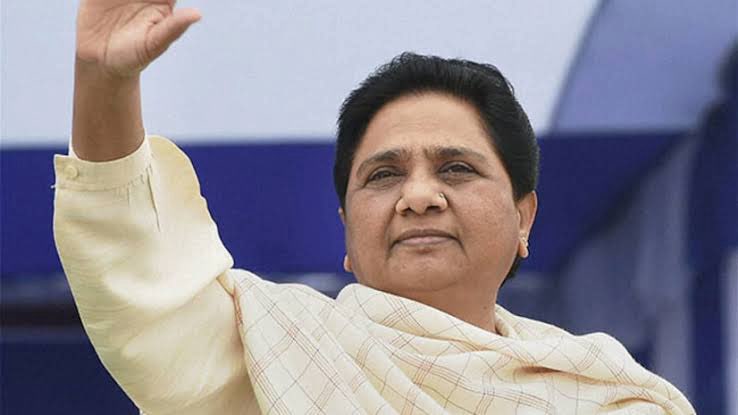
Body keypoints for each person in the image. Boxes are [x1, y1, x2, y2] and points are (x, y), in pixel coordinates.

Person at [54, 1, 695, 414]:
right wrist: (104, 82)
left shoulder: (607, 399)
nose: (418, 197)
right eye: (383, 176)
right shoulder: (270, 353)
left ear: (523, 217)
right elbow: (141, 278)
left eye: (456, 168)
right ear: (347, 232)